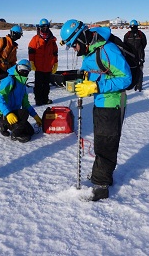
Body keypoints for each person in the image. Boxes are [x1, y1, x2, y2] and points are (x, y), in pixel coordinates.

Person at [60, 19, 132, 201]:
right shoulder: (89, 52)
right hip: (100, 103)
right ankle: (101, 175)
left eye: (74, 45)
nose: (75, 50)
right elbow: (88, 73)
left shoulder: (108, 50)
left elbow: (126, 79)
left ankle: (101, 186)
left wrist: (96, 87)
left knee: (107, 144)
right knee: (101, 142)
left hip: (113, 103)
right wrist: (79, 83)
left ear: (82, 37)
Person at [0, 59, 43, 143]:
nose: (24, 72)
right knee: (24, 113)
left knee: (30, 132)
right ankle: (13, 132)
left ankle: (7, 125)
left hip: (15, 113)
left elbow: (26, 104)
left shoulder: (22, 85)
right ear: (18, 68)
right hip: (5, 113)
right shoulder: (9, 80)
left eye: (27, 70)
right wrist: (8, 113)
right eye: (22, 69)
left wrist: (35, 116)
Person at [0, 25, 23, 117]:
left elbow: (13, 60)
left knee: (4, 89)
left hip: (7, 71)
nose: (18, 38)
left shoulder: (14, 46)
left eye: (19, 36)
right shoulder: (2, 41)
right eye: (18, 35)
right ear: (13, 33)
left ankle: (4, 106)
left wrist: (14, 71)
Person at [28, 18, 59, 106]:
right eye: (43, 27)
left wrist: (55, 63)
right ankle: (38, 100)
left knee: (46, 85)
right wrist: (32, 62)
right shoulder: (35, 39)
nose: (45, 28)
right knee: (38, 85)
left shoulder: (52, 40)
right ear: (40, 27)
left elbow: (55, 53)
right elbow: (31, 51)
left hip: (48, 67)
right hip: (38, 67)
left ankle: (45, 99)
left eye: (46, 26)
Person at [124, 19, 147, 91]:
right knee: (130, 70)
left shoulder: (141, 34)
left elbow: (144, 44)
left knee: (139, 70)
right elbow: (124, 44)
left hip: (139, 55)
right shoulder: (127, 35)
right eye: (132, 27)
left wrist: (140, 51)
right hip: (130, 56)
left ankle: (139, 85)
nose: (133, 28)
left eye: (135, 26)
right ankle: (131, 83)